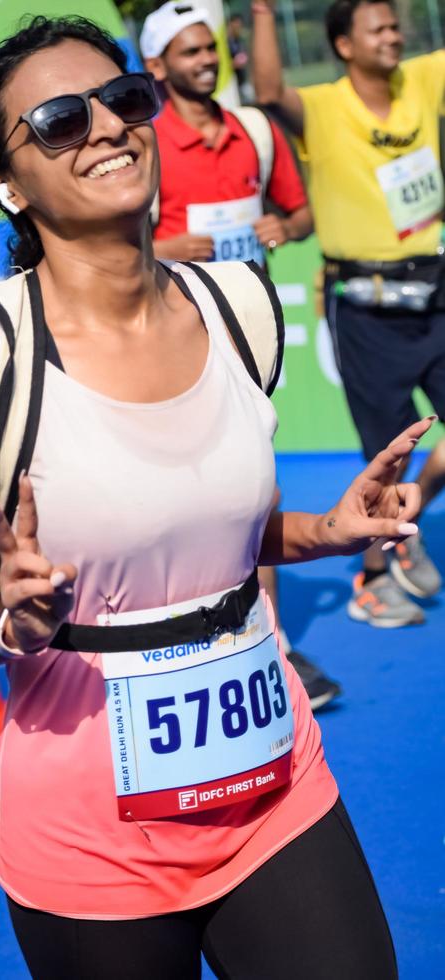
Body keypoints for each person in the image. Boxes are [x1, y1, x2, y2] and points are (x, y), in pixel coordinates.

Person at [0, 15, 424, 978]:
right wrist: (10, 626)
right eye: (59, 120)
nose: (105, 127)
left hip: (277, 786)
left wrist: (322, 531)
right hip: (91, 834)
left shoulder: (240, 306)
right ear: (4, 184)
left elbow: (214, 533)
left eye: (123, 99)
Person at [141, 1, 341, 710]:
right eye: (189, 51)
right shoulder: (140, 144)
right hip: (163, 341)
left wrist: (283, 225)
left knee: (256, 487)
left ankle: (271, 642)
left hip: (248, 337)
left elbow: (304, 211)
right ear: (158, 66)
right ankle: (172, 643)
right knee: (171, 498)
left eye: (210, 49)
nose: (205, 60)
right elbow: (105, 247)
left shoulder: (254, 130)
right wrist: (164, 248)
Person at [252, 0, 445, 627]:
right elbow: (269, 88)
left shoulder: (420, 79)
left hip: (436, 288)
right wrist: (260, 9)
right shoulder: (325, 106)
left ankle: (409, 522)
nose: (394, 36)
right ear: (343, 45)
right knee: (390, 454)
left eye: (396, 26)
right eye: (379, 29)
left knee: (414, 472)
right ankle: (376, 568)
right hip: (364, 306)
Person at [228, 13, 254, 103]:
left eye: (240, 25)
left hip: (241, 79)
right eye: (236, 24)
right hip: (230, 82)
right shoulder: (226, 42)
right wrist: (233, 64)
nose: (238, 27)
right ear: (231, 24)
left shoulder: (239, 40)